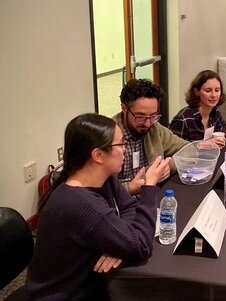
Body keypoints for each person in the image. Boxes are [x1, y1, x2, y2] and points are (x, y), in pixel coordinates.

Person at [26, 113, 171, 300]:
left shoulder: (105, 178)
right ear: (98, 155)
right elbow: (141, 246)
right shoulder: (81, 204)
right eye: (120, 144)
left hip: (89, 281)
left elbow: (128, 207)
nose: (125, 149)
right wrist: (149, 187)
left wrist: (120, 241)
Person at [113, 79, 188, 196]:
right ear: (124, 109)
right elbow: (93, 188)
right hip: (120, 207)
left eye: (153, 116)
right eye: (140, 117)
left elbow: (188, 149)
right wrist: (129, 188)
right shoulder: (108, 135)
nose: (147, 123)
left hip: (152, 198)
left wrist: (169, 166)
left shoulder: (155, 129)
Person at [169, 70, 226, 148]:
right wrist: (200, 145)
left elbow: (222, 126)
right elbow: (173, 148)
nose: (214, 95)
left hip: (209, 156)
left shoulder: (215, 110)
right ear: (196, 92)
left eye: (217, 90)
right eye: (208, 91)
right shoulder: (183, 119)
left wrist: (218, 138)